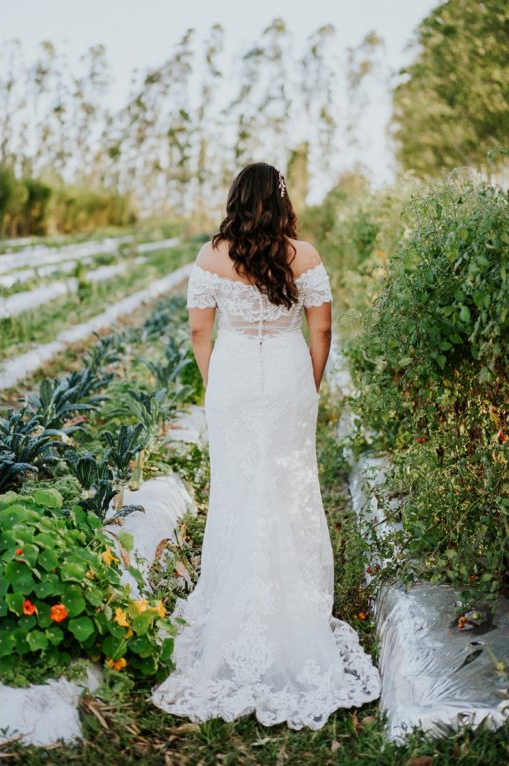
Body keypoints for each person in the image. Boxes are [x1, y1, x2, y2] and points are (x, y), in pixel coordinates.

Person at [150, 163, 380, 729]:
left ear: (236, 199)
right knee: (289, 482)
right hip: (286, 374)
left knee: (237, 486)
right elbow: (322, 331)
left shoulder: (211, 256)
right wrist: (312, 382)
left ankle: (234, 602)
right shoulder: (304, 254)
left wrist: (215, 384)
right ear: (281, 202)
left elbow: (200, 333)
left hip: (231, 377)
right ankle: (291, 605)